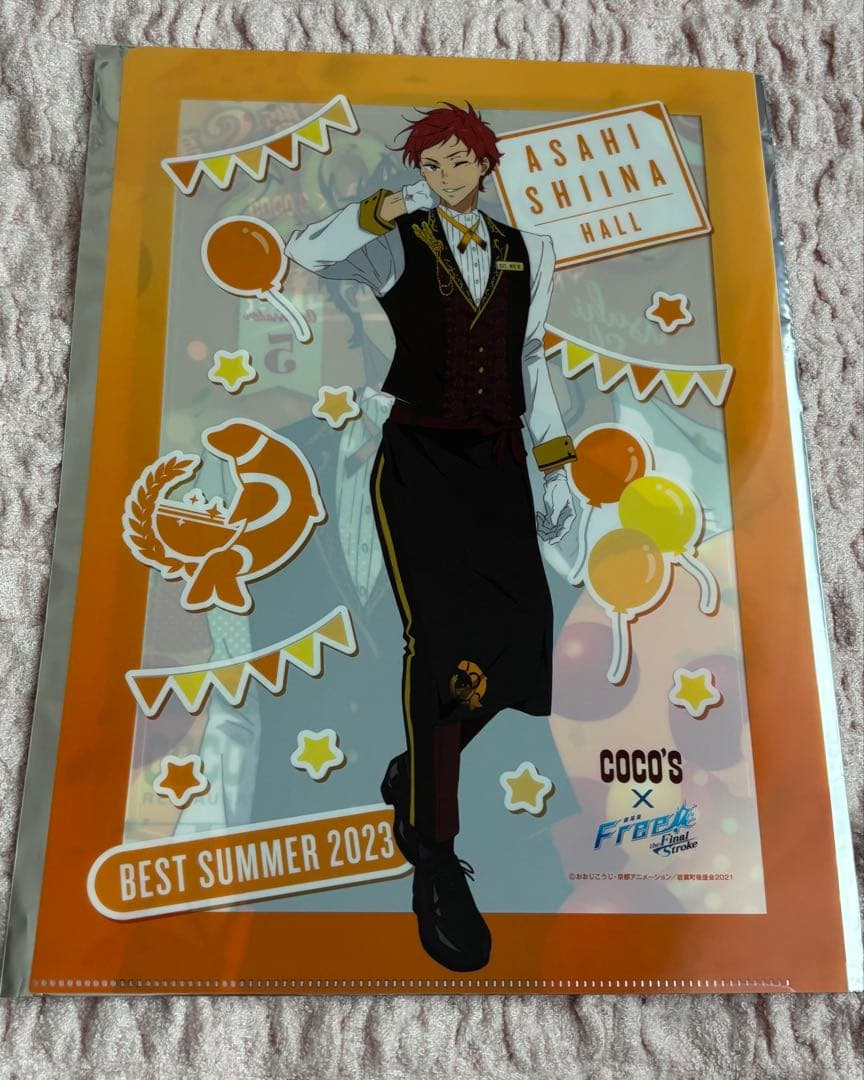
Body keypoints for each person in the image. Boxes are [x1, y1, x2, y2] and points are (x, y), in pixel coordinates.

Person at [285, 102, 578, 972]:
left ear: (486, 165)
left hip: (499, 461)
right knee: (442, 645)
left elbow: (531, 360)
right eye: (433, 165)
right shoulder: (395, 241)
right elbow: (310, 251)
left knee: (523, 636)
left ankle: (417, 771)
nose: (449, 178)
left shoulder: (530, 249)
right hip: (419, 460)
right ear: (421, 172)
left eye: (461, 162)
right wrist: (382, 208)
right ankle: (437, 856)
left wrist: (556, 469)